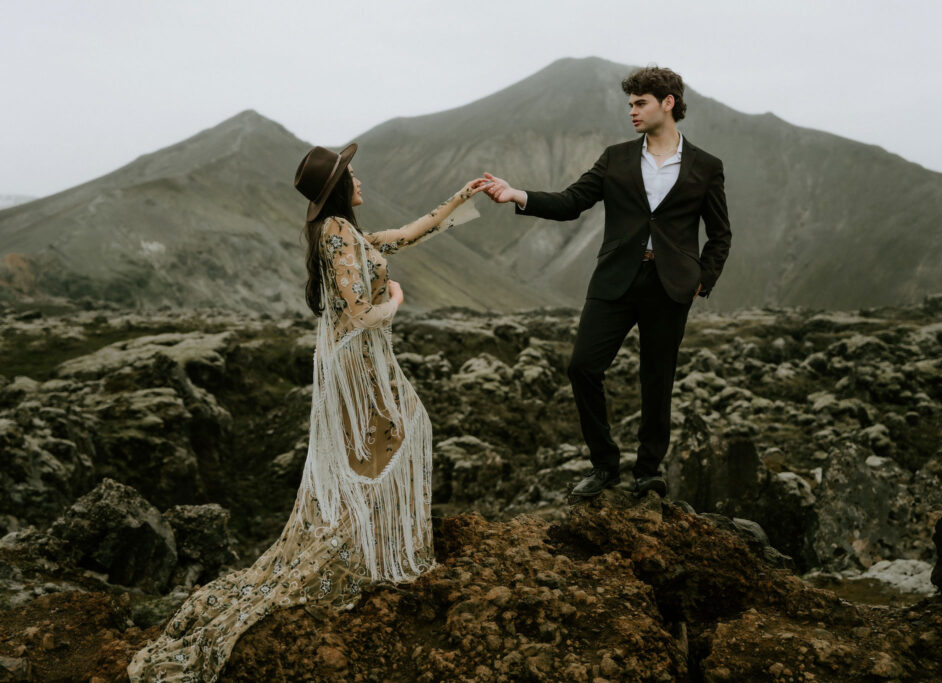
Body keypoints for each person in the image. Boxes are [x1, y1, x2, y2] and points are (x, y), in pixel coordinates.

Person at [128, 143, 490, 681]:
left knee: (388, 446)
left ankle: (376, 551)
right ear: (339, 186)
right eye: (352, 174)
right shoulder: (338, 234)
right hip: (357, 362)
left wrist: (465, 195)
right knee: (394, 442)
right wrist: (397, 301)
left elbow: (410, 234)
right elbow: (361, 312)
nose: (359, 179)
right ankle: (378, 555)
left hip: (361, 360)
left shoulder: (347, 232)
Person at [482, 65, 731, 500]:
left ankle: (648, 471)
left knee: (657, 381)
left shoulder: (707, 166)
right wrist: (517, 194)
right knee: (582, 367)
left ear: (667, 103)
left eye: (640, 103)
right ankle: (604, 465)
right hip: (615, 280)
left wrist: (701, 281)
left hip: (670, 286)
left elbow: (720, 233)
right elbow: (571, 202)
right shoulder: (615, 157)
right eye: (630, 104)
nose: (632, 111)